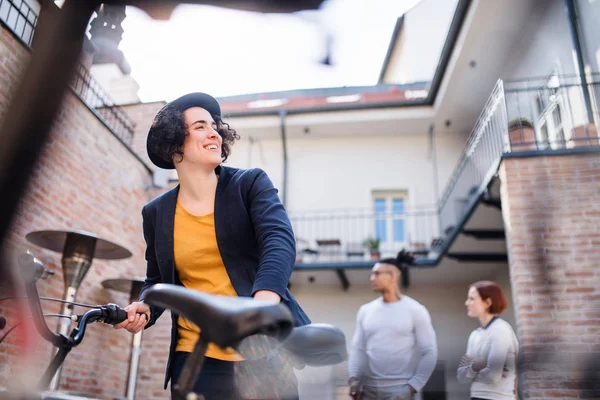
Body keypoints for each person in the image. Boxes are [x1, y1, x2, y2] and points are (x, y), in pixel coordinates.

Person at [113, 92, 310, 400]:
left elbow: (278, 240)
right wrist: (146, 308)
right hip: (194, 358)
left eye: (215, 126)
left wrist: (262, 304)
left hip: (261, 353)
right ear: (175, 142)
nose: (214, 132)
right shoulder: (156, 213)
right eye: (201, 126)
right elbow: (159, 280)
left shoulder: (250, 184)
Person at [348, 250, 438, 400]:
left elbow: (430, 352)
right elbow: (358, 349)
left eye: (377, 274)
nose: (372, 278)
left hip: (400, 391)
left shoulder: (416, 310)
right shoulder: (365, 310)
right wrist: (353, 380)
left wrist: (412, 387)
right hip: (368, 391)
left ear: (393, 276)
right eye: (371, 274)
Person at [457, 281, 518, 400]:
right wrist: (476, 365)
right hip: (476, 396)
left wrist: (470, 368)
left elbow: (493, 376)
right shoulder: (475, 335)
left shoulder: (501, 330)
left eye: (472, 299)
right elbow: (461, 377)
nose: (466, 303)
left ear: (488, 302)